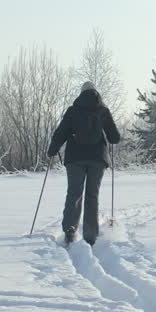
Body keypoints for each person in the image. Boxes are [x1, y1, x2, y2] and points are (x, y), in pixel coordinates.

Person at [48, 81, 121, 245]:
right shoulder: (103, 111)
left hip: (75, 158)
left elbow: (61, 132)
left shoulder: (73, 111)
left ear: (81, 94)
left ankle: (70, 229)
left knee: (74, 193)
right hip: (97, 159)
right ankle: (90, 235)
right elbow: (114, 137)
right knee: (92, 195)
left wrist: (52, 150)